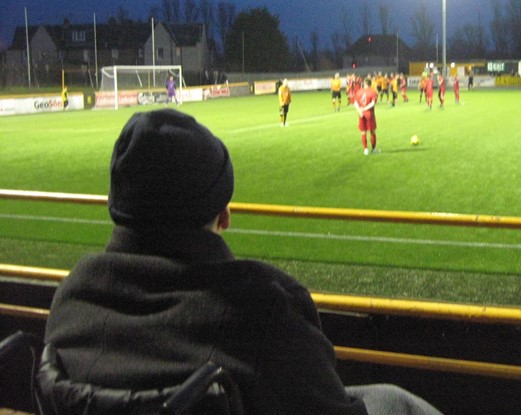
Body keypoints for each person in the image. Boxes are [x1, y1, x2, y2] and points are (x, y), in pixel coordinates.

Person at [41, 108, 443, 415]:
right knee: (396, 401)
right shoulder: (260, 309)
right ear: (223, 215)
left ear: (119, 205)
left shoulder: (70, 301)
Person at [355, 78, 378, 156]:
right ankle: (374, 149)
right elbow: (373, 103)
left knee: (363, 132)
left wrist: (360, 111)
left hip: (361, 114)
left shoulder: (359, 92)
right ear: (370, 84)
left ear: (364, 84)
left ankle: (365, 150)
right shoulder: (373, 92)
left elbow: (355, 103)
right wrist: (365, 109)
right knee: (372, 131)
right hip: (369, 114)